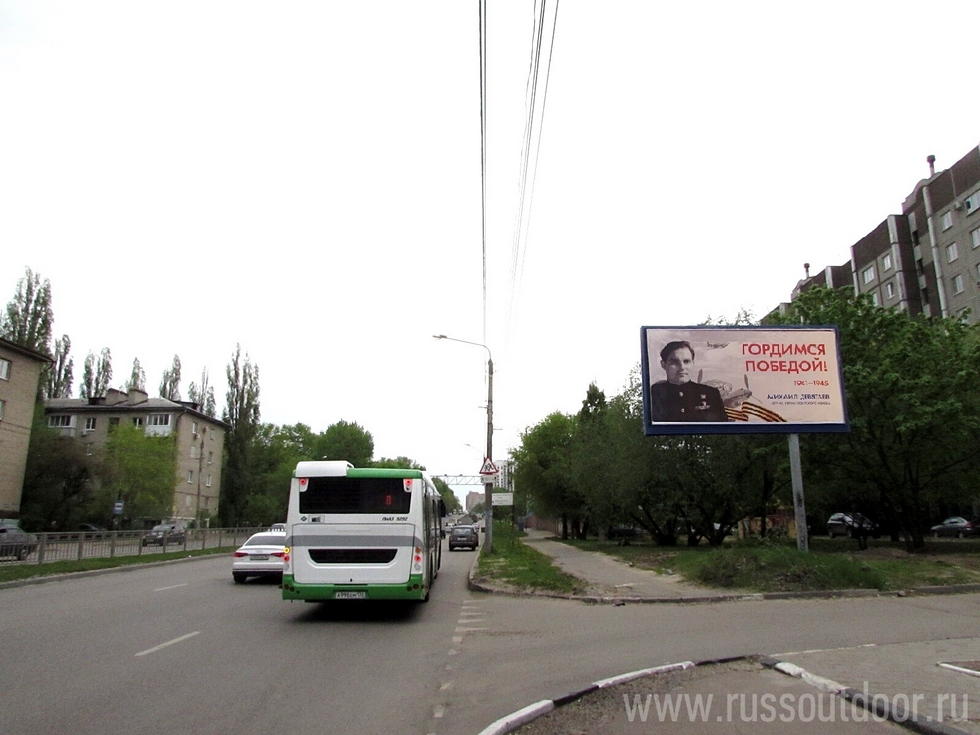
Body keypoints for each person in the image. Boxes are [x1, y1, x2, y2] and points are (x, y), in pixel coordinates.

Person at [650, 340, 728, 422]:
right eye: (674, 362)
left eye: (686, 361)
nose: (682, 367)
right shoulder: (653, 394)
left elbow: (723, 429)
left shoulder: (711, 393)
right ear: (663, 364)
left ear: (692, 363)